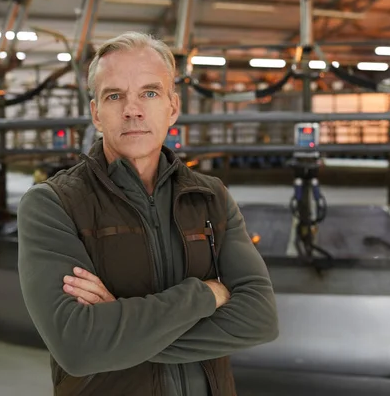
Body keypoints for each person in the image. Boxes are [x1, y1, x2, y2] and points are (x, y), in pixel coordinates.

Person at [17, 31, 279, 396]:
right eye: (114, 96)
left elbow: (260, 319)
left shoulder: (211, 197)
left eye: (149, 93)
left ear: (173, 107)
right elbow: (79, 348)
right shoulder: (52, 205)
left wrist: (119, 334)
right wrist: (206, 295)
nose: (132, 109)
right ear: (96, 113)